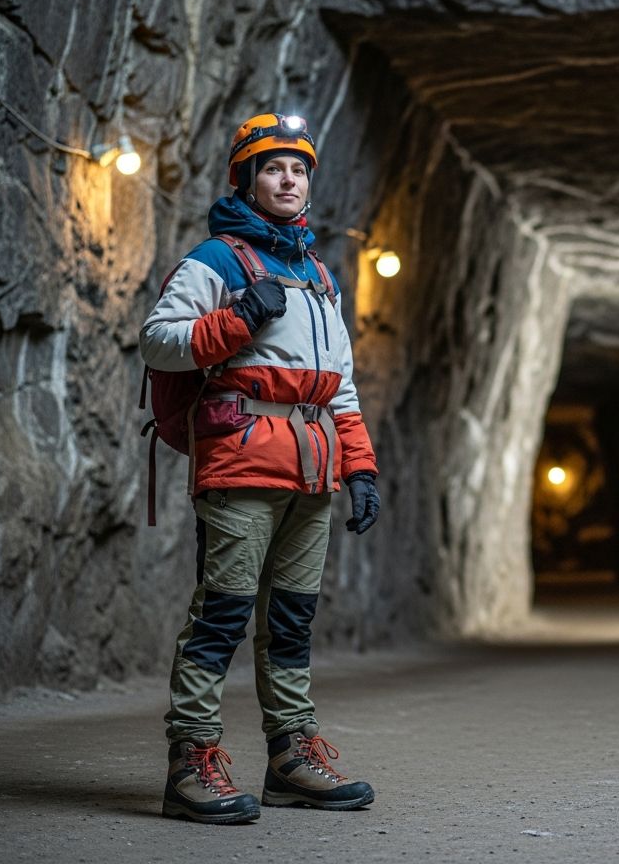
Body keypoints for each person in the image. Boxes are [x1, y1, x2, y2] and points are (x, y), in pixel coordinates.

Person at [140, 112, 381, 825]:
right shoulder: (216, 261)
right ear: (246, 180)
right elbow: (159, 342)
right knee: (222, 615)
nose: (288, 179)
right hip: (241, 463)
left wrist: (360, 467)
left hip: (313, 470)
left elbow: (338, 380)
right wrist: (238, 318)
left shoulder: (317, 275)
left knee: (292, 618)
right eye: (273, 168)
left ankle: (292, 758)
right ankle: (191, 762)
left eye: (298, 169)